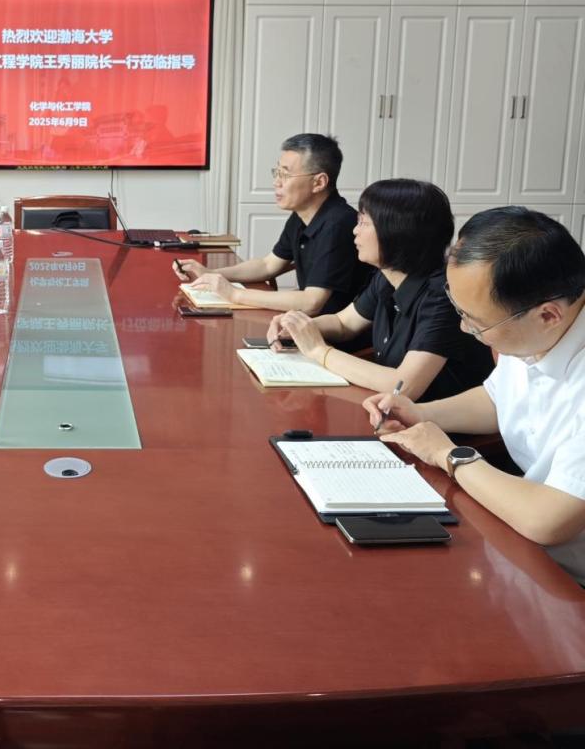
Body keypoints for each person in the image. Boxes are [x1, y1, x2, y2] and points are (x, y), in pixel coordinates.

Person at [364, 207, 585, 585]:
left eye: (477, 321)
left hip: (567, 580)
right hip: (517, 546)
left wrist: (448, 455)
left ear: (548, 315)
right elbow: (497, 398)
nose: (465, 329)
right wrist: (420, 413)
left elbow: (548, 519)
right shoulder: (533, 329)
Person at [267, 179, 494, 400]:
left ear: (398, 233)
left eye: (364, 223)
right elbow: (343, 323)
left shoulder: (443, 296)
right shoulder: (387, 277)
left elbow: (403, 387)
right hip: (386, 410)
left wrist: (319, 351)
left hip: (433, 421)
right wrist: (298, 325)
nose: (354, 231)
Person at [176, 133, 372, 313]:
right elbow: (268, 265)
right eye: (276, 173)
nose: (276, 182)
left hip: (334, 331)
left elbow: (312, 302)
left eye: (285, 174)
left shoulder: (338, 224)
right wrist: (210, 274)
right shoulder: (302, 215)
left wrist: (234, 294)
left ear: (319, 182)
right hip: (306, 322)